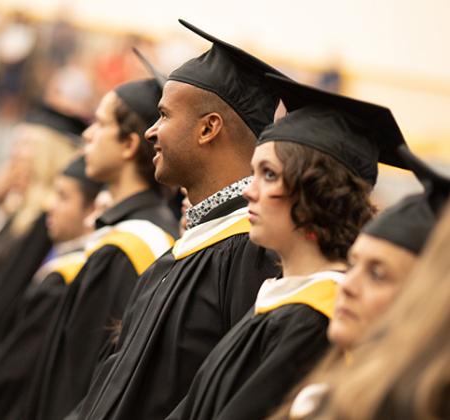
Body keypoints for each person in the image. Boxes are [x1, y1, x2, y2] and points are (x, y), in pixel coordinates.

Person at [163, 72, 410, 420]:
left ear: (314, 192)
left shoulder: (315, 317)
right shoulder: (279, 299)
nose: (249, 190)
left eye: (268, 174)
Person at [69, 20, 282, 420]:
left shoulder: (250, 253)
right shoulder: (187, 248)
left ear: (208, 128)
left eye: (164, 116)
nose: (151, 132)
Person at [19, 75, 179, 420]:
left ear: (128, 145)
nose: (88, 135)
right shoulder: (131, 232)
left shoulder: (130, 246)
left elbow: (80, 377)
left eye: (101, 124)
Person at [271, 145, 450, 420]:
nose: (347, 285)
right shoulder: (327, 388)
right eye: (353, 265)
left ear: (426, 300)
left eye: (377, 274)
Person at [0, 156, 103, 420]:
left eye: (63, 197)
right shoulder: (60, 261)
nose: (50, 206)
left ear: (92, 210)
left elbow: (24, 356)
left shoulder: (74, 274)